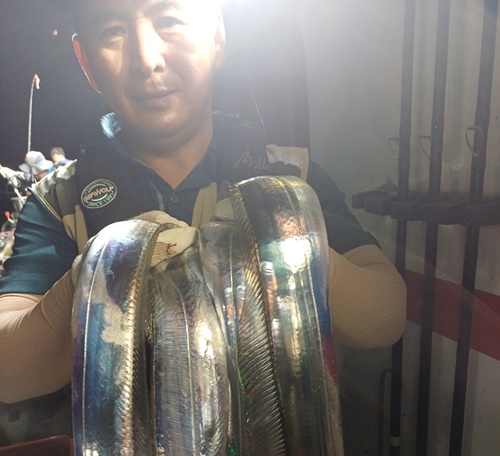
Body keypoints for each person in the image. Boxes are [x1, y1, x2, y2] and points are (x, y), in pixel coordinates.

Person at [0, 0, 406, 405]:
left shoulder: (294, 177)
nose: (147, 60)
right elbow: (6, 372)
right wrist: (98, 274)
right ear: (87, 63)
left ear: (217, 35)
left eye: (168, 19)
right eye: (113, 31)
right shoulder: (58, 202)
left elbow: (386, 316)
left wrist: (296, 248)